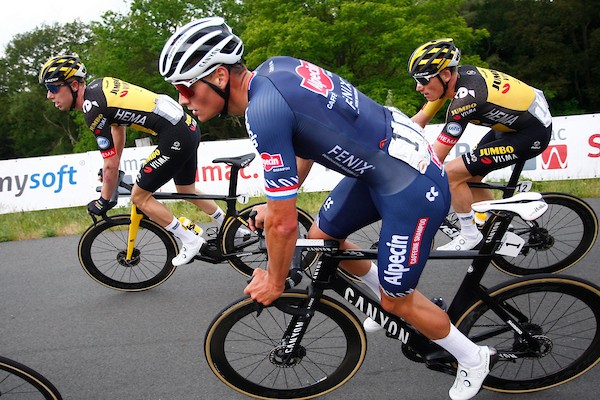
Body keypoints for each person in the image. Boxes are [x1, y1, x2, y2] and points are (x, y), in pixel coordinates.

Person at [159, 17, 496, 399]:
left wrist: (274, 278)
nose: (184, 101)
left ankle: (472, 357)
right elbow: (306, 140)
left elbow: (285, 227)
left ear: (219, 76)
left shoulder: (262, 111)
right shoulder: (276, 67)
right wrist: (276, 204)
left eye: (186, 88)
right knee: (322, 239)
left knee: (396, 297)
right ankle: (383, 304)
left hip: (410, 184)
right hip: (383, 161)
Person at [39, 54, 229, 266]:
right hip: (187, 128)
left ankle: (190, 240)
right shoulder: (100, 86)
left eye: (53, 88)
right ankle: (231, 227)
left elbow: (109, 163)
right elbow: (117, 128)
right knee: (186, 189)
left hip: (174, 135)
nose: (49, 95)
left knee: (140, 197)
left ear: (74, 85)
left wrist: (103, 199)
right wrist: (115, 164)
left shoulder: (92, 109)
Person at [408, 38, 552, 251]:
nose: (419, 87)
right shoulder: (449, 83)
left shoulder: (466, 99)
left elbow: (437, 157)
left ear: (445, 75)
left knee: (449, 174)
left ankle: (469, 233)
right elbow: (417, 122)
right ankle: (501, 228)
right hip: (513, 127)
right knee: (471, 176)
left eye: (423, 80)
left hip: (531, 134)